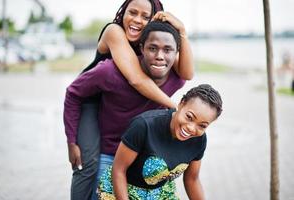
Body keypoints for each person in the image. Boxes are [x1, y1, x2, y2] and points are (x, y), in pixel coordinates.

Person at [66, 0, 195, 199]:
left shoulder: (153, 45)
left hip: (116, 101)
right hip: (91, 100)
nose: (137, 20)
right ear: (122, 12)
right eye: (132, 13)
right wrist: (175, 108)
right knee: (88, 164)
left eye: (145, 16)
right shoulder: (114, 32)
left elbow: (186, 73)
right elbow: (136, 80)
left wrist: (182, 32)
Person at [98, 84, 223, 199]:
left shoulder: (199, 140)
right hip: (121, 188)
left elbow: (192, 179)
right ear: (181, 104)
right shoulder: (144, 125)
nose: (191, 128)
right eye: (189, 117)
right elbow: (119, 170)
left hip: (159, 192)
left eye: (202, 125)